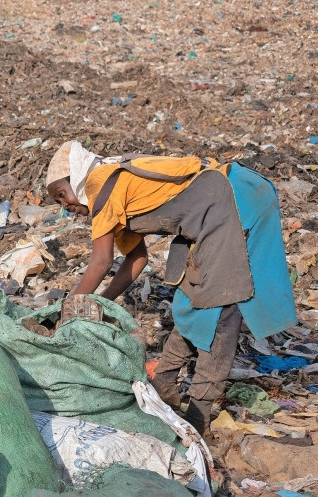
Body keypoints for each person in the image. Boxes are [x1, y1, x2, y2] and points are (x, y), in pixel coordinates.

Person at [45, 141, 297, 433]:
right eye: (58, 202)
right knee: (190, 299)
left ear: (76, 177)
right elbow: (137, 259)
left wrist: (69, 310)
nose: (65, 206)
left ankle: (199, 414)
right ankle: (165, 383)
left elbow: (101, 262)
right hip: (210, 214)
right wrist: (101, 302)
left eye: (62, 194)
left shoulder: (100, 184)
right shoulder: (109, 191)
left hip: (236, 198)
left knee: (219, 308)